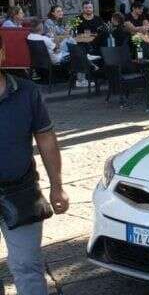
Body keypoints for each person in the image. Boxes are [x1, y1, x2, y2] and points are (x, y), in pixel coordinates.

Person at [0, 34, 69, 295]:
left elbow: (47, 141)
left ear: (2, 54)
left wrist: (57, 186)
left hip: (21, 191)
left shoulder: (26, 92)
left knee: (27, 266)